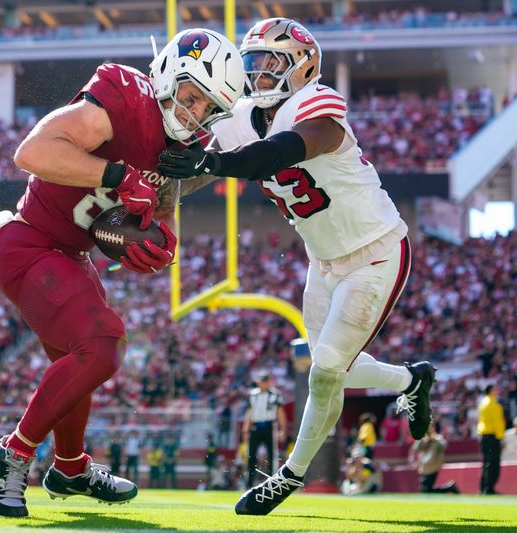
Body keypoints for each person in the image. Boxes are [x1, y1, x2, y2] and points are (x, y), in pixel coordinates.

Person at [157, 18, 436, 515]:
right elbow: (207, 163)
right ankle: (410, 381)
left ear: (302, 66)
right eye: (252, 64)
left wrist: (214, 165)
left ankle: (289, 476)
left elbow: (282, 150)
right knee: (330, 368)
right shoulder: (240, 114)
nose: (258, 75)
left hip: (377, 251)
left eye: (270, 64)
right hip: (323, 259)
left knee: (326, 367)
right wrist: (162, 190)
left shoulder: (318, 106)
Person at [0, 28, 244, 518]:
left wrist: (159, 234)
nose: (195, 114)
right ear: (167, 75)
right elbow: (31, 153)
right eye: (190, 97)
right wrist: (117, 176)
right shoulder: (122, 96)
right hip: (30, 241)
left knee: (79, 362)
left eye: (209, 108)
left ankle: (70, 468)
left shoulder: (187, 144)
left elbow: (159, 204)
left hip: (71, 257)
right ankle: (10, 454)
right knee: (103, 344)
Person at [241, 370, 286, 486]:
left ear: (269, 382)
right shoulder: (252, 394)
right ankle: (249, 482)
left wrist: (282, 429)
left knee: (271, 455)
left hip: (269, 426)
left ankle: (271, 482)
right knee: (252, 455)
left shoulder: (275, 394)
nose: (263, 384)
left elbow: (280, 412)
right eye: (261, 382)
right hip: (255, 426)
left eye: (265, 381)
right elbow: (249, 413)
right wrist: (246, 430)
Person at [412, 424, 459, 494]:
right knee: (425, 490)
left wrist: (434, 438)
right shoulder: (424, 439)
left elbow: (444, 446)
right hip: (424, 467)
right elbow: (415, 448)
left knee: (427, 490)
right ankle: (450, 487)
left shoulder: (438, 438)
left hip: (433, 466)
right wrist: (422, 438)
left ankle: (450, 488)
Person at [477, 384, 505, 495]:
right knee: (493, 463)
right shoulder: (493, 404)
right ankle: (489, 488)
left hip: (484, 435)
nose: (497, 391)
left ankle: (483, 487)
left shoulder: (483, 402)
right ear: (490, 391)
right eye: (495, 389)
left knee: (486, 463)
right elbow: (497, 422)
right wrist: (500, 437)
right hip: (492, 436)